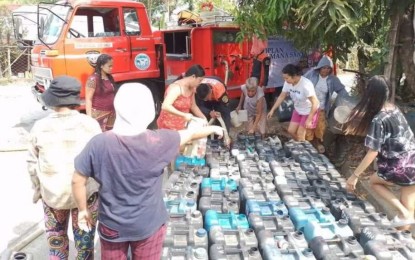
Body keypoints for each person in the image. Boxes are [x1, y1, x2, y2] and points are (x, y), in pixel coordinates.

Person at [72, 83, 224, 260]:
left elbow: (77, 179)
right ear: (148, 110)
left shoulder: (98, 143)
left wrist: (83, 210)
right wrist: (213, 128)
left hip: (112, 225)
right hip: (148, 224)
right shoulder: (158, 140)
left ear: (118, 107)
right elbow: (188, 134)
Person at [27, 76, 101, 259]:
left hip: (53, 196)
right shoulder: (90, 125)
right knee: (84, 247)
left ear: (52, 100)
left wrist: (38, 189)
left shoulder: (39, 127)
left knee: (56, 244)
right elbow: (100, 163)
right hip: (85, 195)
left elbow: (31, 165)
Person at [345, 75, 415, 230]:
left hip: (399, 166)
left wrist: (354, 176)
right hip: (413, 161)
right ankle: (403, 238)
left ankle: (403, 214)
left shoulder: (379, 119)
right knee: (407, 214)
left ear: (370, 94)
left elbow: (372, 152)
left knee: (374, 182)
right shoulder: (393, 108)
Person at [304, 55, 347, 153]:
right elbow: (301, 82)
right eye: (324, 68)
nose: (326, 70)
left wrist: (347, 100)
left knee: (321, 128)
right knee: (309, 128)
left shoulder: (332, 79)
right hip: (308, 107)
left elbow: (342, 90)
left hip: (322, 107)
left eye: (328, 68)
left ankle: (319, 144)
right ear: (319, 67)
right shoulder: (312, 74)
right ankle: (309, 145)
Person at [267, 64, 319, 141]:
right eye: (284, 78)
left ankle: (302, 149)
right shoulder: (287, 83)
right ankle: (301, 144)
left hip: (308, 111)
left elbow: (316, 103)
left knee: (300, 134)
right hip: (298, 109)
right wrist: (272, 110)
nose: (285, 80)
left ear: (294, 76)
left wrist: (309, 119)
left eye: (286, 78)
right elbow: (282, 96)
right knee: (290, 131)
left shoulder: (306, 85)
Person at [157, 64, 207, 130]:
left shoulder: (191, 89)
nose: (200, 83)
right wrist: (184, 115)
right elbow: (165, 106)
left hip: (181, 128)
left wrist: (204, 118)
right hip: (167, 128)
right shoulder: (176, 88)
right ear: (193, 77)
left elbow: (193, 106)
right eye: (199, 80)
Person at [85, 53, 116, 131]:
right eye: (109, 66)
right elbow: (88, 99)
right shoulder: (93, 79)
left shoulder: (109, 77)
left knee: (110, 137)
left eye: (112, 66)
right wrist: (89, 118)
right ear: (101, 66)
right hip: (98, 115)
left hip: (111, 114)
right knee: (99, 137)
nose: (111, 68)